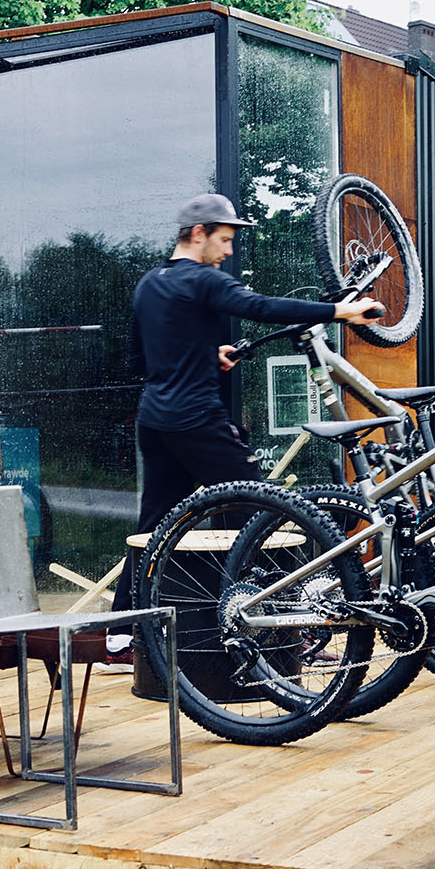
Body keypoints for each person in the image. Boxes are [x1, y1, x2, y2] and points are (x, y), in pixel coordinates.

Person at [103, 192, 384, 669]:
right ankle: (288, 634)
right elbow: (259, 306)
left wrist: (202, 355)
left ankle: (120, 637)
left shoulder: (151, 284)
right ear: (198, 234)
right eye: (225, 239)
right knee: (263, 514)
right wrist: (340, 311)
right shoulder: (202, 279)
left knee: (153, 528)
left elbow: (140, 359)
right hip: (198, 421)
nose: (229, 251)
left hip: (156, 421)